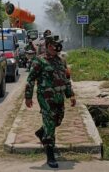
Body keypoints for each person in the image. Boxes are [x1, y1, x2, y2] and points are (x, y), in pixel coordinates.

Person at [24, 35, 76, 168]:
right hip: (46, 98)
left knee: (58, 120)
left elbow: (66, 78)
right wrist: (28, 97)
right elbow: (30, 79)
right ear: (48, 46)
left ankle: (41, 132)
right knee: (50, 125)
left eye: (57, 45)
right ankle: (50, 155)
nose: (56, 48)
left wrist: (71, 95)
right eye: (54, 45)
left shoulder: (60, 61)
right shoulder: (39, 61)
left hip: (59, 97)